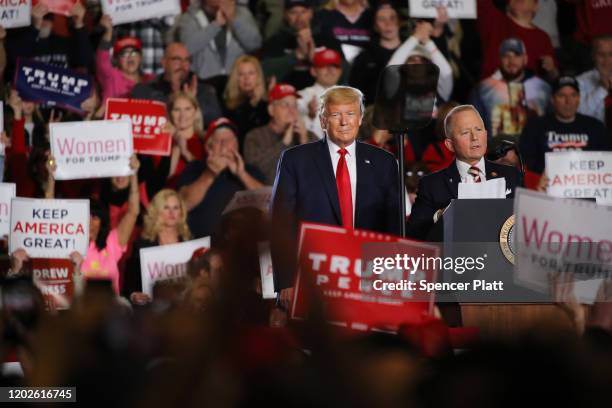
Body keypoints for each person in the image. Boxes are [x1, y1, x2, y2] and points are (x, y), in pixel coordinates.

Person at [271, 85, 400, 303]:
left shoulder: (384, 162)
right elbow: (280, 223)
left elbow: (393, 226)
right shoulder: (295, 160)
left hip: (369, 278)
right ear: (322, 121)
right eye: (335, 115)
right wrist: (286, 281)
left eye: (350, 114)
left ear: (360, 119)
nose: (344, 121)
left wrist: (393, 279)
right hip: (313, 277)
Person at [406, 105, 522, 240]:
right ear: (450, 144)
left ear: (485, 134)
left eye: (478, 129)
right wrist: (443, 217)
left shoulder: (512, 175)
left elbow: (526, 225)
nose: (474, 137)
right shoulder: (432, 185)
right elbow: (415, 237)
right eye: (465, 132)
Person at [178, 118, 265, 239]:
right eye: (218, 140)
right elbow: (185, 204)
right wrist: (209, 174)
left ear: (236, 145)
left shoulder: (250, 171)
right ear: (208, 147)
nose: (224, 145)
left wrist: (242, 174)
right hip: (203, 247)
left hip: (243, 245)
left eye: (229, 140)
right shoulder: (195, 168)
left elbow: (269, 203)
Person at [519, 76, 611, 186]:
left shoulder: (595, 127)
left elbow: (607, 164)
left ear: (579, 98)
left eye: (573, 95)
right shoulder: (535, 127)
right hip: (546, 191)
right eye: (562, 95)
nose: (568, 101)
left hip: (587, 189)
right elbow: (525, 164)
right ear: (552, 99)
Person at [470, 38, 550, 138]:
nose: (511, 61)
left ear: (525, 59)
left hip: (534, 151)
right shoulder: (482, 89)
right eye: (506, 56)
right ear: (499, 59)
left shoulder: (543, 88)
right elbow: (473, 126)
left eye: (516, 55)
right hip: (495, 151)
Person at [124, 189, 193, 304]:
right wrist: (134, 295)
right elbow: (130, 284)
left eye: (176, 208)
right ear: (157, 212)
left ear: (181, 212)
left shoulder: (189, 242)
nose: (172, 213)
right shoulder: (142, 245)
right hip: (153, 309)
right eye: (166, 208)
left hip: (185, 308)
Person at [130, 43, 222, 125]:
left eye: (187, 60)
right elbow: (140, 121)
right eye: (177, 60)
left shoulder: (204, 90)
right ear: (164, 62)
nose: (183, 66)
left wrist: (192, 101)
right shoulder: (144, 91)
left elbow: (214, 121)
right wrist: (176, 97)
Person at [177, 0, 262, 89]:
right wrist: (216, 25)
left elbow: (255, 44)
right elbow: (186, 49)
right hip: (203, 85)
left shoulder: (242, 13)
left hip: (237, 84)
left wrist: (233, 19)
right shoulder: (190, 17)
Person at [244, 83, 317, 185]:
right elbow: (254, 172)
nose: (292, 110)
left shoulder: (309, 135)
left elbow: (322, 170)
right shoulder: (254, 137)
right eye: (285, 105)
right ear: (271, 110)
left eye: (294, 105)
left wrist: (304, 141)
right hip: (268, 198)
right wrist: (284, 143)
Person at [476, 0, 557, 80]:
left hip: (528, 92)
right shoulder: (494, 21)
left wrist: (551, 69)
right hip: (492, 90)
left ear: (535, 6)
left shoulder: (543, 38)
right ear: (508, 5)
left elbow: (553, 76)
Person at [386, 14, 453, 103]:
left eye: (423, 60)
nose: (417, 63)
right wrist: (416, 37)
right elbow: (391, 69)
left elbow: (447, 72)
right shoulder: (394, 88)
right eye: (412, 59)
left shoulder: (440, 90)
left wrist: (427, 41)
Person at [349, 3, 402, 105]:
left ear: (400, 22)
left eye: (392, 18)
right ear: (375, 26)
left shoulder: (413, 52)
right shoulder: (364, 58)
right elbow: (355, 94)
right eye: (382, 19)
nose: (388, 23)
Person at [96, 15, 154, 103]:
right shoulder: (112, 77)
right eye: (124, 54)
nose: (130, 57)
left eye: (134, 53)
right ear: (117, 60)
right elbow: (102, 61)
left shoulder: (151, 80)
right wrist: (108, 32)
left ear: (141, 57)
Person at [297, 48, 344, 140]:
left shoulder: (352, 96)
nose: (330, 70)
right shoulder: (301, 97)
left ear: (340, 71)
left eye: (334, 66)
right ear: (313, 71)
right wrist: (310, 116)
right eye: (324, 66)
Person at [223, 55, 270, 145]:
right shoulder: (229, 106)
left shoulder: (267, 104)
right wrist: (252, 103)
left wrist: (259, 102)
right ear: (236, 79)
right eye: (241, 74)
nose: (246, 78)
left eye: (251, 73)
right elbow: (242, 133)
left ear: (258, 76)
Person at [576, 35, 612, 125]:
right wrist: (602, 89)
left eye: (611, 54)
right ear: (593, 56)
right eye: (601, 55)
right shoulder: (580, 81)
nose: (606, 60)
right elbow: (579, 116)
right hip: (594, 136)